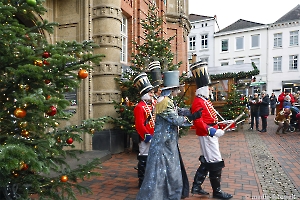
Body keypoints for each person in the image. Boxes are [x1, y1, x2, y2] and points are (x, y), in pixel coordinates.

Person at [136, 70, 202, 200]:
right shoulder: (164, 102)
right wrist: (192, 118)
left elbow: (177, 110)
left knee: (170, 169)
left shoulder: (167, 100)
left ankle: (170, 193)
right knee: (162, 171)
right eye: (176, 89)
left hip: (168, 142)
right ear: (171, 89)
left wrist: (189, 112)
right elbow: (175, 119)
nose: (178, 91)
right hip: (163, 143)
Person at [189, 61, 233, 199]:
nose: (210, 89)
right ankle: (217, 192)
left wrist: (222, 124)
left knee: (208, 160)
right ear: (203, 88)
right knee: (215, 161)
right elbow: (198, 122)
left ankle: (197, 186)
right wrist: (213, 131)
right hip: (207, 135)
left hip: (210, 134)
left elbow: (211, 119)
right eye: (208, 87)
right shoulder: (198, 101)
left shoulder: (204, 100)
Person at [133, 72, 156, 188]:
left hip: (154, 135)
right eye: (150, 93)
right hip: (146, 137)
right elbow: (139, 125)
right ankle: (141, 181)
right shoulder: (139, 107)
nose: (152, 94)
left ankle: (150, 178)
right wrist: (147, 136)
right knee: (144, 157)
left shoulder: (153, 105)